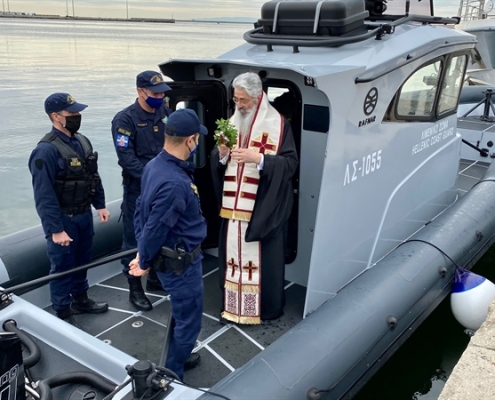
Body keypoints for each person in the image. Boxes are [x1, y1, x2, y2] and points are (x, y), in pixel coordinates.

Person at [211, 72, 298, 325]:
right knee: (231, 258)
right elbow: (218, 162)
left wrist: (258, 159)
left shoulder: (279, 124)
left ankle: (263, 310)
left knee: (262, 263)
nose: (239, 105)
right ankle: (232, 307)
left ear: (258, 97)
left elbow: (290, 164)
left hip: (261, 208)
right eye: (236, 99)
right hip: (232, 209)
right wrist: (222, 154)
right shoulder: (230, 123)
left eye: (243, 100)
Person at [128, 108, 207, 380]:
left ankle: (179, 356)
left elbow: (141, 210)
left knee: (181, 314)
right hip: (181, 266)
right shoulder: (175, 183)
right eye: (197, 139)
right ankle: (173, 374)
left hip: (171, 259)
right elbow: (155, 227)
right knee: (189, 321)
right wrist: (144, 260)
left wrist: (142, 253)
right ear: (190, 140)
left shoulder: (154, 166)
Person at [28, 92, 110, 328]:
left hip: (84, 214)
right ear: (56, 116)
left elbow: (92, 176)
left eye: (77, 112)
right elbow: (43, 194)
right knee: (62, 265)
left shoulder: (82, 141)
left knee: (83, 259)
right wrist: (55, 229)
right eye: (71, 112)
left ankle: (81, 299)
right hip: (64, 218)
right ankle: (62, 310)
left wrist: (100, 204)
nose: (77, 115)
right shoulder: (46, 151)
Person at [111, 70, 172, 311]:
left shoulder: (165, 113)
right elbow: (126, 158)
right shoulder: (124, 120)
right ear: (140, 91)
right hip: (139, 190)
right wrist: (154, 177)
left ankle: (155, 278)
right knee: (134, 239)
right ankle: (135, 288)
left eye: (162, 93)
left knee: (162, 232)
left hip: (163, 188)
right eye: (155, 94)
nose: (159, 97)